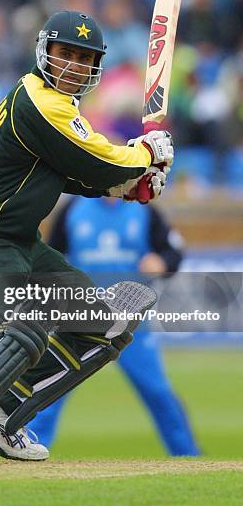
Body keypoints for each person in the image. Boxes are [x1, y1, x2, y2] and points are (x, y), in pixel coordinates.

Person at [0, 9, 174, 465]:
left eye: (83, 58)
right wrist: (144, 154)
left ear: (95, 69)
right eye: (64, 52)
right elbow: (100, 160)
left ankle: (0, 416)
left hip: (21, 243)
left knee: (105, 324)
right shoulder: (37, 99)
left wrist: (130, 185)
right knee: (17, 323)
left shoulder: (61, 112)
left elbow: (81, 175)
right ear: (43, 52)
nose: (72, 64)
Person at [27, 195, 201, 456]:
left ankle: (188, 457)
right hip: (80, 320)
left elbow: (173, 251)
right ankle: (29, 448)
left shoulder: (145, 211)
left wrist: (162, 263)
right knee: (50, 391)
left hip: (132, 325)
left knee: (157, 392)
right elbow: (49, 255)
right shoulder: (73, 209)